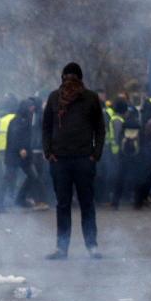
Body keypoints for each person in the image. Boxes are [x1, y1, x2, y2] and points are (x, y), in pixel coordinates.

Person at [41, 63, 106, 260]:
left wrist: (96, 154)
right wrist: (48, 152)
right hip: (60, 160)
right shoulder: (54, 98)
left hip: (84, 159)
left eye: (73, 76)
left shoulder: (90, 98)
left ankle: (92, 246)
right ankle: (62, 248)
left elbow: (100, 129)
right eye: (66, 76)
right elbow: (45, 128)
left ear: (80, 78)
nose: (69, 80)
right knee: (63, 205)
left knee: (87, 203)